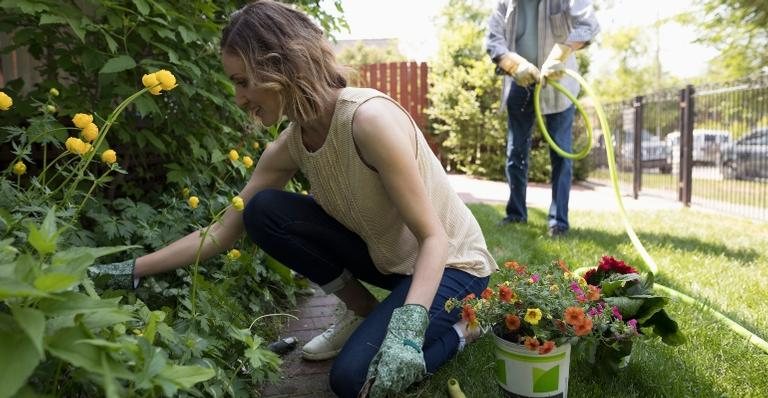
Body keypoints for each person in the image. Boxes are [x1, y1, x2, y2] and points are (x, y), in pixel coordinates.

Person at [91, 1, 497, 397]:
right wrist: (130, 270)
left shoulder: (369, 120)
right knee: (263, 210)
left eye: (242, 81)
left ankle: (464, 329)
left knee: (352, 381)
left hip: (452, 265)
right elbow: (221, 232)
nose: (239, 98)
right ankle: (365, 315)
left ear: (279, 65)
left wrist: (407, 334)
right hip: (390, 263)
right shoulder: (289, 146)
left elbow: (435, 239)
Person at [486, 0, 600, 237]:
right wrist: (511, 63)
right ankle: (516, 214)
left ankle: (558, 221)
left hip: (559, 83)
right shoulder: (505, 4)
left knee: (561, 153)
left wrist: (561, 52)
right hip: (520, 81)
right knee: (515, 151)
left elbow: (589, 23)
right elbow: (492, 39)